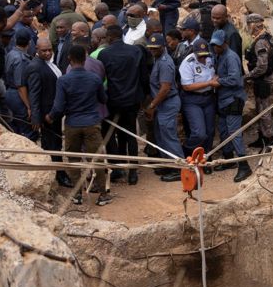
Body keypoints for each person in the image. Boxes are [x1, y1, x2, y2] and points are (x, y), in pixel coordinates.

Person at [49, 45, 112, 205]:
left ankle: (77, 195)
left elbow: (58, 107)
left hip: (72, 124)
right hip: (92, 123)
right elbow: (103, 99)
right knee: (96, 159)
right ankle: (103, 195)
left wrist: (50, 117)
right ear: (85, 59)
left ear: (69, 58)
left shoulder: (63, 80)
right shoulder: (94, 79)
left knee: (73, 159)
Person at [97, 23, 143, 185]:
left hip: (113, 100)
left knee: (110, 134)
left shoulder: (105, 54)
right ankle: (133, 172)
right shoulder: (135, 51)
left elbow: (102, 80)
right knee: (130, 134)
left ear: (109, 38)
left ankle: (117, 169)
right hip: (132, 100)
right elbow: (142, 76)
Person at [26, 37, 71, 187]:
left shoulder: (50, 63)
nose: (47, 53)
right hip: (47, 114)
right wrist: (36, 118)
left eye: (50, 50)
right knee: (52, 144)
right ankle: (59, 174)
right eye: (44, 51)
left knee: (56, 143)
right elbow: (34, 94)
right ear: (37, 50)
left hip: (55, 112)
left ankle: (57, 172)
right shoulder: (35, 67)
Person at [211, 29, 253, 182]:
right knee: (223, 130)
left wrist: (218, 81)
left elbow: (235, 79)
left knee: (234, 132)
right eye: (214, 45)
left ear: (225, 43)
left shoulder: (231, 57)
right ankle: (228, 159)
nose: (215, 47)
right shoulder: (219, 55)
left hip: (233, 99)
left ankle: (244, 166)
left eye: (218, 45)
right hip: (223, 99)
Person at [143, 33, 183, 181]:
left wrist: (152, 105)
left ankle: (179, 167)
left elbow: (165, 88)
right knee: (161, 135)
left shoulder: (165, 62)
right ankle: (168, 163)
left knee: (169, 136)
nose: (152, 50)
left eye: (156, 48)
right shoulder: (157, 58)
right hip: (162, 104)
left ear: (163, 47)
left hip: (167, 102)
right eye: (151, 48)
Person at [244, 13, 273, 151]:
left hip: (264, 80)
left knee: (264, 111)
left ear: (253, 25)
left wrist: (248, 76)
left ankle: (270, 141)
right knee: (261, 109)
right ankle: (262, 138)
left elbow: (262, 66)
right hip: (263, 78)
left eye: (248, 24)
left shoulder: (260, 42)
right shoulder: (266, 37)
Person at [4, 31, 33, 137]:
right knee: (26, 128)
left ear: (15, 40)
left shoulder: (11, 53)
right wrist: (28, 106)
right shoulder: (21, 59)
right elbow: (20, 85)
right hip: (18, 96)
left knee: (15, 127)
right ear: (29, 43)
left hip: (10, 92)